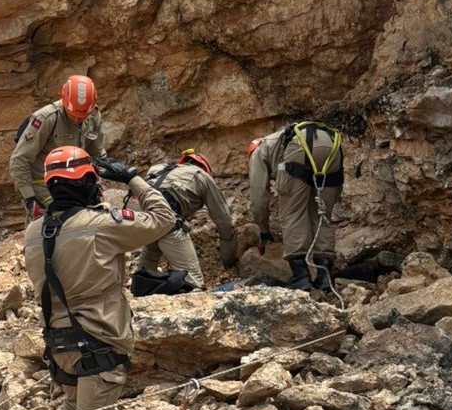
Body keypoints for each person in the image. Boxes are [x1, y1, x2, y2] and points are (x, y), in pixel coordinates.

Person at [23, 146, 175, 410]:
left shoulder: (34, 231)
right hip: (100, 340)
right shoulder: (102, 224)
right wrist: (131, 178)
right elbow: (163, 218)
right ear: (88, 181)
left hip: (59, 343)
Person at [247, 122, 344, 291]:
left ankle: (301, 278)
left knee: (293, 214)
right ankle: (324, 278)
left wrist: (263, 229)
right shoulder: (278, 140)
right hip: (333, 145)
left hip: (300, 148)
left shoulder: (258, 152)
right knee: (322, 215)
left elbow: (258, 198)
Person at [134, 149, 238, 291]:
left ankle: (137, 297)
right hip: (167, 221)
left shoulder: (158, 169)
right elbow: (223, 219)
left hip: (139, 219)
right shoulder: (201, 176)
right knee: (192, 282)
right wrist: (229, 260)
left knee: (145, 269)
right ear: (204, 167)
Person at [10, 75, 107, 218]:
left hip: (77, 185)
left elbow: (97, 154)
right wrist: (30, 198)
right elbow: (19, 160)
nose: (78, 119)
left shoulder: (93, 115)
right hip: (45, 186)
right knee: (50, 229)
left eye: (83, 115)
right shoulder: (47, 119)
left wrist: (98, 180)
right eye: (73, 115)